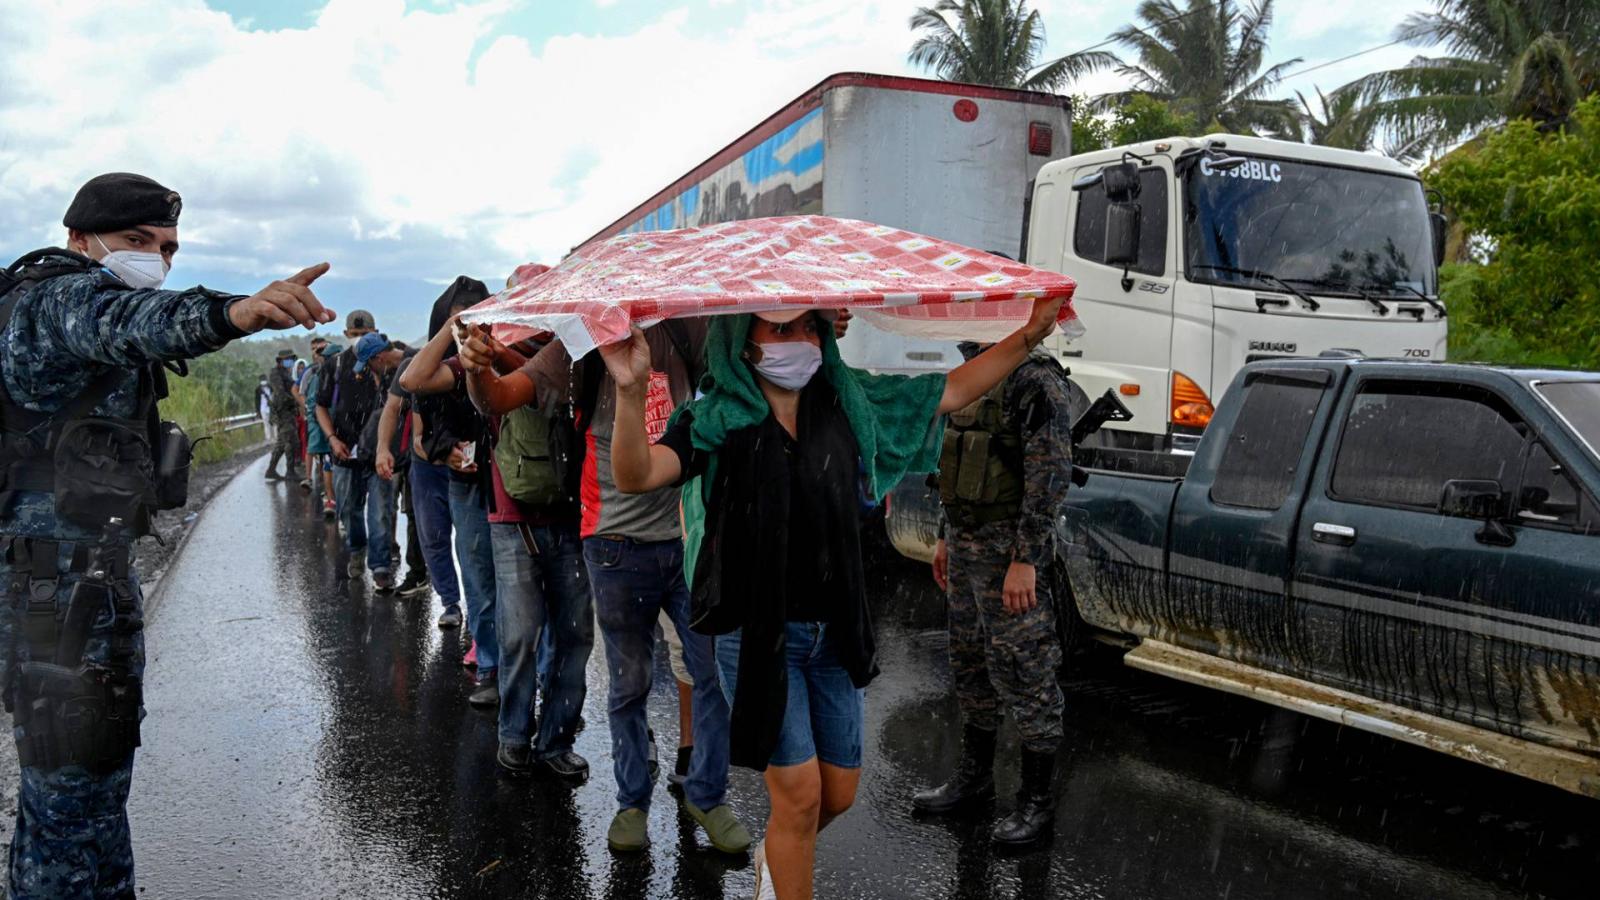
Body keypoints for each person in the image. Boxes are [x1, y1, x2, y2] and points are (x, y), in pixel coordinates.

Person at [601, 295, 1064, 900]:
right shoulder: (718, 417)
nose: (796, 341)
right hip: (759, 635)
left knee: (838, 793)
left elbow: (949, 391)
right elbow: (637, 473)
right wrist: (632, 392)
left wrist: (1027, 336)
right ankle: (786, 872)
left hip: (835, 631)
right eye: (779, 328)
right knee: (798, 797)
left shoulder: (850, 401)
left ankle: (780, 851)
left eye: (806, 327)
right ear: (744, 340)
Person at [0, 172, 334, 898]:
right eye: (136, 242)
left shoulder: (58, 301)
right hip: (59, 598)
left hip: (72, 586)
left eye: (169, 248)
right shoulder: (54, 301)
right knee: (72, 811)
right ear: (79, 240)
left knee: (76, 800)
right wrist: (236, 312)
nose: (156, 259)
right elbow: (131, 320)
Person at [459, 317, 750, 856]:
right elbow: (499, 398)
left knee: (713, 676)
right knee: (629, 683)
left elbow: (751, 362)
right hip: (614, 542)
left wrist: (823, 325)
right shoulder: (578, 346)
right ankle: (631, 802)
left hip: (688, 536)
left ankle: (707, 796)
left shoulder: (688, 331)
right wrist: (477, 373)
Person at [911, 340, 1075, 846]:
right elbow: (953, 460)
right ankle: (975, 781)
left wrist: (1026, 559)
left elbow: (1049, 476)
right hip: (964, 547)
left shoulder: (1034, 378)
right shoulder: (972, 368)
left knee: (1027, 671)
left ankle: (1037, 804)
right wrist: (944, 534)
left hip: (1009, 554)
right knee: (970, 664)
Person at [443, 317, 595, 779]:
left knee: (567, 638)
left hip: (569, 518)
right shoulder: (493, 355)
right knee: (524, 637)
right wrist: (472, 358)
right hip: (514, 520)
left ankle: (553, 739)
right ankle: (516, 735)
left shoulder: (579, 354)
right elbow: (483, 393)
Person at [394, 278, 499, 706]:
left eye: (478, 313)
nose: (471, 325)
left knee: (511, 579)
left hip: (509, 479)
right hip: (463, 478)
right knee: (475, 570)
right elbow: (419, 420)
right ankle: (488, 656)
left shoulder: (500, 356)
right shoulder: (447, 369)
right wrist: (446, 451)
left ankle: (515, 663)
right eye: (461, 314)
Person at [315, 324, 403, 590]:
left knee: (381, 512)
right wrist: (332, 438)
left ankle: (380, 567)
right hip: (345, 453)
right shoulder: (336, 366)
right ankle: (357, 550)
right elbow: (320, 405)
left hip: (379, 455)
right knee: (350, 510)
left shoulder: (393, 371)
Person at [303, 341, 341, 517]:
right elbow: (313, 403)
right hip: (327, 430)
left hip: (343, 428)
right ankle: (331, 500)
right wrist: (321, 424)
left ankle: (338, 501)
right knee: (328, 464)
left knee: (339, 467)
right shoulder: (318, 376)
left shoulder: (348, 374)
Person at [264, 348, 302, 480]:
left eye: (291, 359)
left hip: (288, 410)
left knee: (282, 443)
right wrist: (296, 400)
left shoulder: (286, 373)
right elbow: (281, 393)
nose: (290, 361)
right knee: (290, 442)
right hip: (283, 410)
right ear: (280, 361)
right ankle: (290, 471)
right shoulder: (275, 373)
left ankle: (271, 470)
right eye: (287, 359)